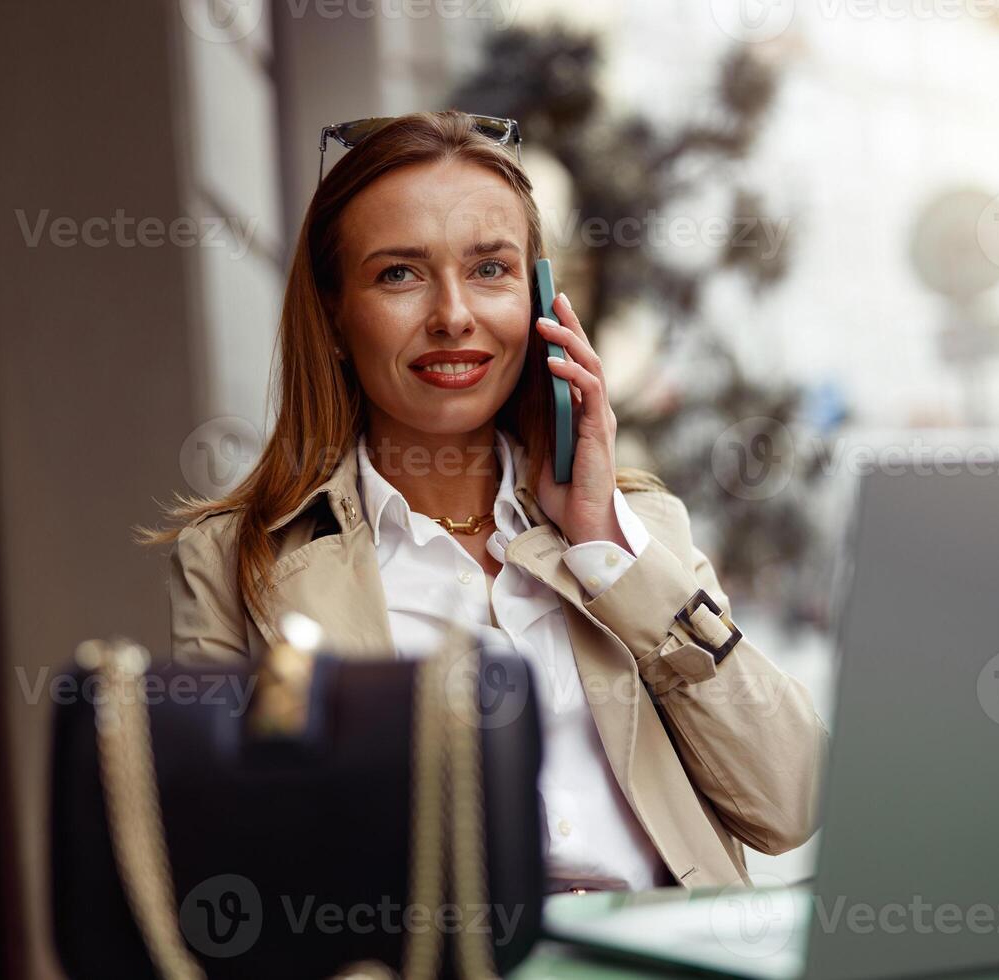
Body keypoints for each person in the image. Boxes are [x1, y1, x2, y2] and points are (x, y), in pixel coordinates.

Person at [145, 109, 827, 893]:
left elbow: (793, 799)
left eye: (490, 269)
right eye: (399, 273)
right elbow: (230, 868)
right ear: (334, 316)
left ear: (539, 301)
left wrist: (606, 545)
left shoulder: (641, 533)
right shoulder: (239, 560)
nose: (453, 316)